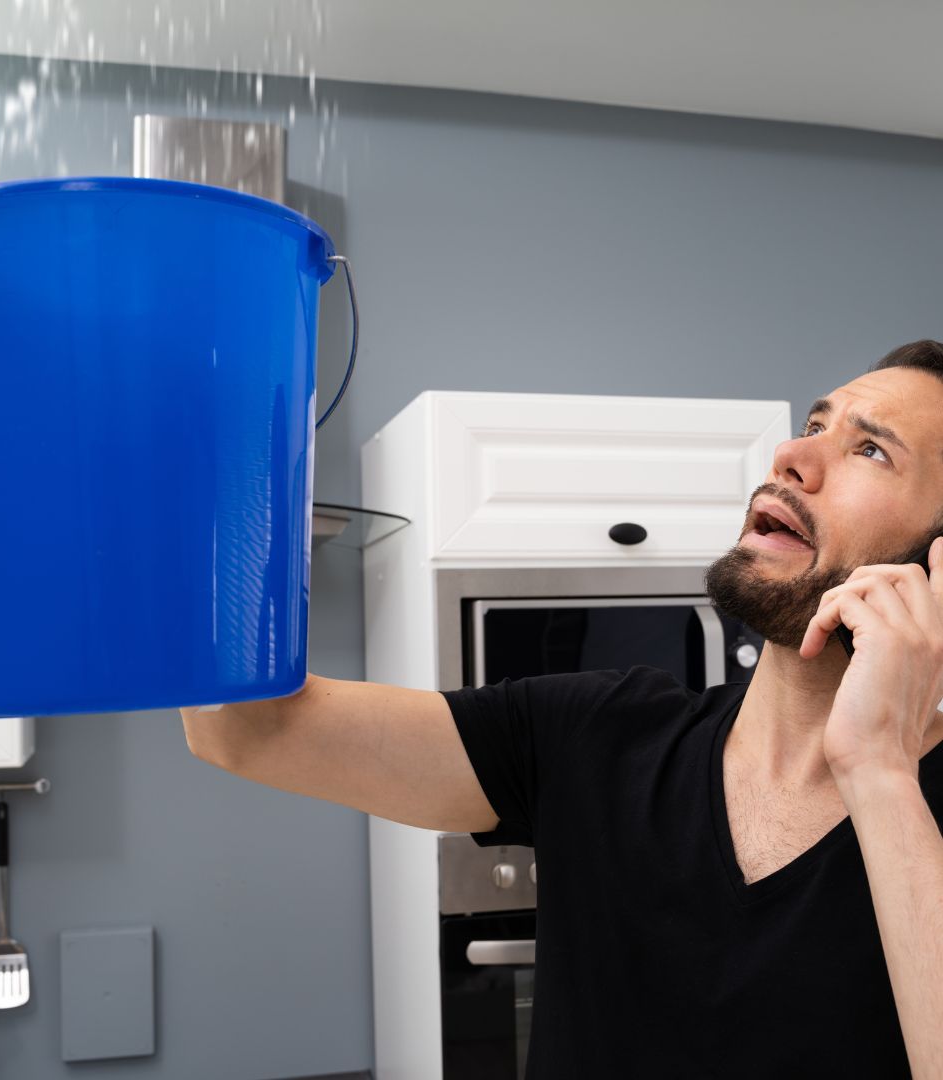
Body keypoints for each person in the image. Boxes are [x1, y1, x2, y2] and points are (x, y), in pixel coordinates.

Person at [181, 339, 943, 1079]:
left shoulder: (920, 815)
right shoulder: (598, 732)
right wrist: (203, 428)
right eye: (814, 426)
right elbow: (246, 727)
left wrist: (879, 771)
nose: (792, 457)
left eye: (869, 450)